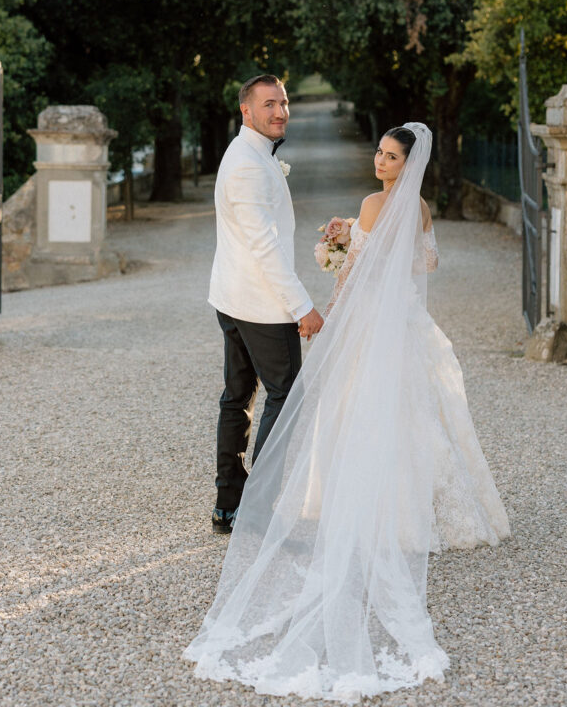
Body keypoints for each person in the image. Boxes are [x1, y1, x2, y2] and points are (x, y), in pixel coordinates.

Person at [185, 122, 510, 701]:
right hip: (406, 321)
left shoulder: (370, 203)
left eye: (389, 157)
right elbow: (425, 265)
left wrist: (333, 287)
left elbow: (358, 269)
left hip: (368, 324)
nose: (379, 162)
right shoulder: (424, 209)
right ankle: (426, 510)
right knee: (419, 411)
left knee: (355, 408)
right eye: (379, 154)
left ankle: (343, 501)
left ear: (405, 164)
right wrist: (357, 243)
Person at [208, 74, 324, 533]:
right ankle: (255, 510)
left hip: (234, 299)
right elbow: (264, 247)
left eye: (284, 103)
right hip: (260, 307)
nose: (279, 112)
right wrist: (302, 306)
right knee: (285, 396)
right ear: (247, 112)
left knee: (237, 399)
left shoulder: (249, 155)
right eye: (269, 104)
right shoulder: (247, 166)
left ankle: (229, 507)